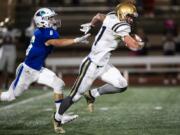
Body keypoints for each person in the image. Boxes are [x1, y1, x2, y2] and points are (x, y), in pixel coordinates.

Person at [53, 2, 144, 134]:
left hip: (104, 64)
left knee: (122, 85)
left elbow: (98, 16)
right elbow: (133, 46)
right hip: (91, 65)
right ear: (123, 14)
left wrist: (91, 25)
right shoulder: (122, 26)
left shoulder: (112, 16)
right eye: (129, 16)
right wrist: (139, 44)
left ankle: (92, 94)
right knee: (74, 96)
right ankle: (57, 119)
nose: (131, 19)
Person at [0, 8, 90, 124]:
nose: (53, 20)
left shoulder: (45, 31)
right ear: (42, 20)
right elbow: (57, 43)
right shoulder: (43, 33)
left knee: (58, 84)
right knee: (9, 96)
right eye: (50, 18)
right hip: (27, 71)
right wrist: (76, 40)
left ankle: (59, 117)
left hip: (37, 69)